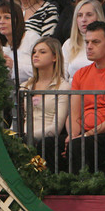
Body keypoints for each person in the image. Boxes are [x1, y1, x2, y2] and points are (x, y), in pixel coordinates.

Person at [65, 21, 105, 172]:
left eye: (95, 42)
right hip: (82, 133)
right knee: (48, 143)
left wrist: (85, 135)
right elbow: (73, 114)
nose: (89, 46)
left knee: (79, 145)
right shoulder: (80, 74)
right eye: (87, 42)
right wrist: (73, 135)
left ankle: (82, 190)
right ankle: (52, 191)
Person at [21, 36, 70, 169]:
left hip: (42, 138)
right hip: (23, 137)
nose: (36, 55)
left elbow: (56, 127)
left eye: (42, 52)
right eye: (34, 52)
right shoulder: (25, 86)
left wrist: (28, 136)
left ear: (55, 57)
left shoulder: (63, 87)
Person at [62, 0, 105, 80]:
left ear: (98, 16)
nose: (83, 19)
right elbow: (62, 76)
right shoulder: (68, 44)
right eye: (80, 15)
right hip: (73, 90)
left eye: (89, 15)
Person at [0, 0, 39, 80]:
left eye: (7, 17)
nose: (1, 22)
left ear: (17, 19)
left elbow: (41, 70)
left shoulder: (32, 38)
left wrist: (14, 66)